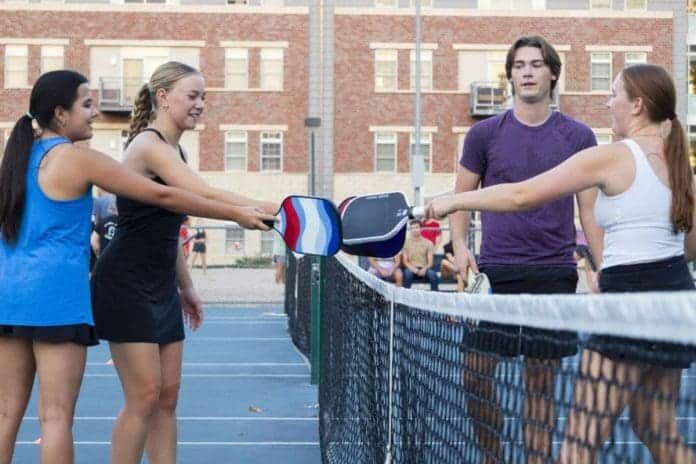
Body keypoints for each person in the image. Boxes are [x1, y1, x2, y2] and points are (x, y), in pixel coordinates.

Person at [0, 70, 274, 464]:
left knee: (7, 414)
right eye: (86, 104)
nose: (94, 113)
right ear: (61, 114)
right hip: (55, 298)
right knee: (56, 417)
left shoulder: (16, 162)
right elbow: (162, 194)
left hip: (9, 296)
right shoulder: (79, 160)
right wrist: (238, 213)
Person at [427, 63, 696, 463]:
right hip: (672, 303)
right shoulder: (681, 168)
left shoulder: (612, 156)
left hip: (628, 306)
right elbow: (688, 247)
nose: (608, 103)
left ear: (637, 105)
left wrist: (454, 201)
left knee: (577, 449)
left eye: (615, 94)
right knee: (655, 427)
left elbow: (522, 195)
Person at [90, 62, 279, 464]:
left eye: (204, 97)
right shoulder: (147, 146)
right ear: (163, 97)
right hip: (124, 283)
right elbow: (202, 194)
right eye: (192, 96)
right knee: (142, 397)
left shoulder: (176, 149)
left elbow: (166, 227)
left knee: (167, 398)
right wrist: (273, 209)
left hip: (160, 284)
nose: (200, 105)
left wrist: (187, 286)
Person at [442, 36, 602, 464]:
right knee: (475, 377)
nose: (527, 72)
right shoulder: (483, 134)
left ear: (552, 74)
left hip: (553, 274)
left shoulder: (579, 136)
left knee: (539, 384)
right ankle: (492, 458)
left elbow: (589, 212)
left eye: (536, 64)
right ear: (510, 75)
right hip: (494, 273)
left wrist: (602, 268)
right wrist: (460, 246)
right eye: (519, 65)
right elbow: (460, 196)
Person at [401, 219, 439, 291]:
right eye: (412, 228)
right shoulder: (406, 243)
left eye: (417, 227)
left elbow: (430, 262)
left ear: (421, 229)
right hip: (411, 268)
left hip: (424, 268)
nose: (414, 230)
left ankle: (435, 298)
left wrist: (424, 269)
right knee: (407, 274)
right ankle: (405, 298)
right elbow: (405, 261)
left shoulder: (428, 243)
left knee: (433, 275)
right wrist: (414, 269)